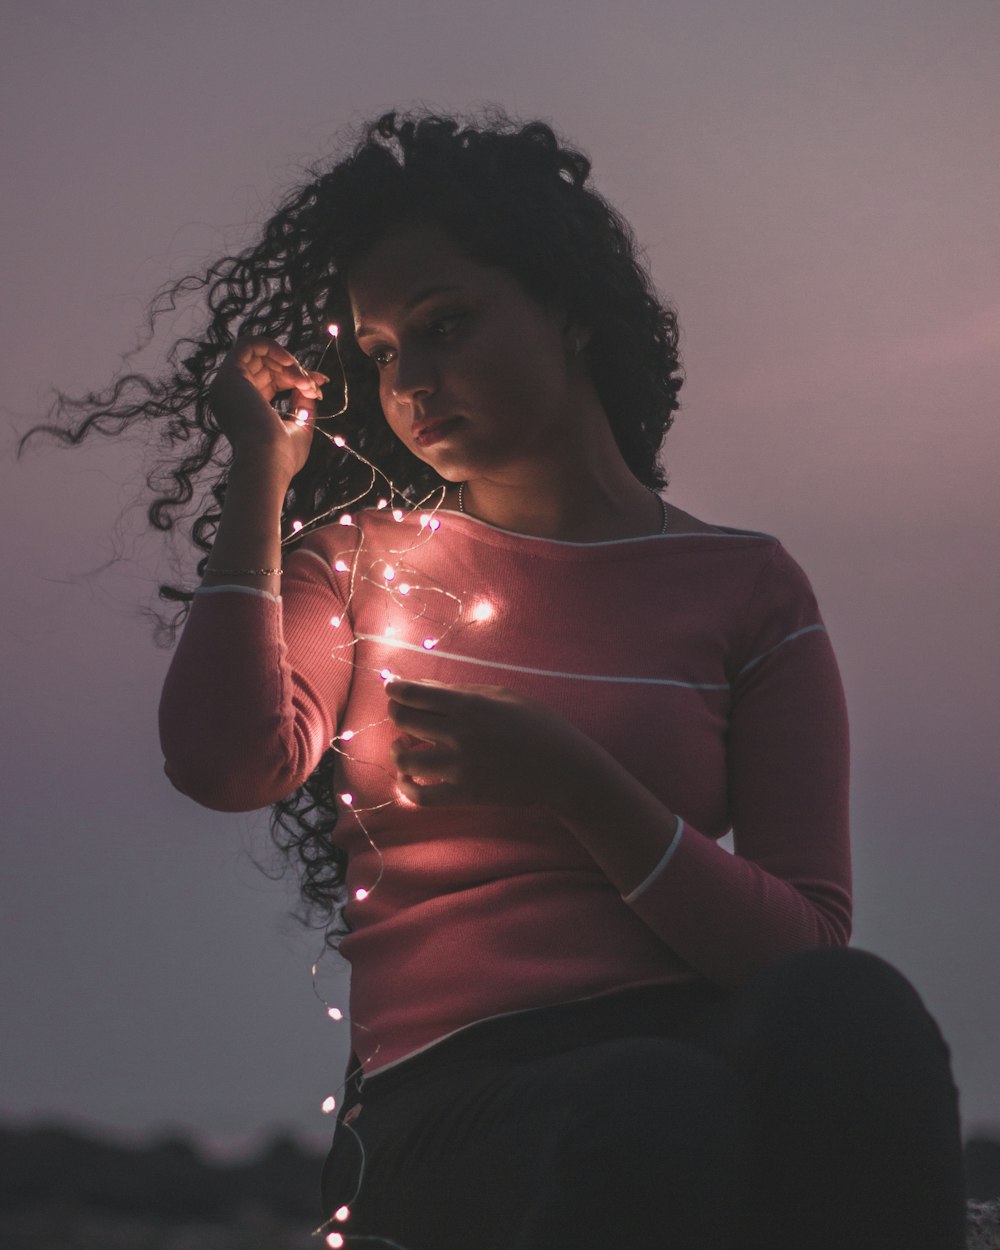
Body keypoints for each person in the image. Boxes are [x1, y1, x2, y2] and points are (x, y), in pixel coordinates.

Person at [30, 111, 966, 1249]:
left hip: (695, 1049)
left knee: (857, 1015)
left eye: (446, 325)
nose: (409, 382)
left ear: (570, 308)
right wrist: (257, 479)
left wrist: (579, 785)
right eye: (379, 353)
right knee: (656, 1109)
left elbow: (806, 949)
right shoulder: (360, 561)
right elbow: (224, 761)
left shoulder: (747, 588)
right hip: (452, 1095)